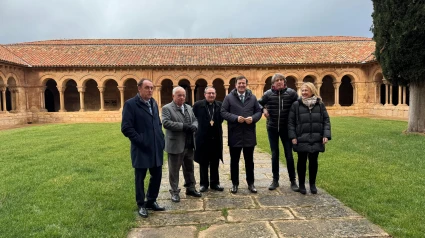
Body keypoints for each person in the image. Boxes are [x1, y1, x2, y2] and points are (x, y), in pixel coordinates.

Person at [121, 78, 165, 218]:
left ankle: (151, 201)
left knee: (157, 175)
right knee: (140, 177)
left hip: (155, 146)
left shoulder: (153, 102)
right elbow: (126, 128)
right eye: (147, 88)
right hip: (141, 148)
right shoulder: (130, 104)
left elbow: (157, 122)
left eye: (152, 88)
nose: (150, 90)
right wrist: (141, 140)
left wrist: (161, 138)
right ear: (139, 88)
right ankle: (141, 204)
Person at [288, 82, 331, 194]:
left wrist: (326, 135)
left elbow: (326, 120)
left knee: (313, 162)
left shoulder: (320, 104)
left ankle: (312, 184)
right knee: (301, 161)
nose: (304, 92)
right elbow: (291, 123)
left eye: (306, 90)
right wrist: (293, 136)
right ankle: (301, 184)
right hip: (301, 137)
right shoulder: (296, 105)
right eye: (302, 91)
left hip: (316, 136)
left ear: (312, 91)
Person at [221, 76, 262, 193]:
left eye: (243, 83)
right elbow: (223, 112)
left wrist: (253, 118)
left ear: (246, 84)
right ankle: (235, 184)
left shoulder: (253, 98)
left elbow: (258, 111)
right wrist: (235, 118)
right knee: (234, 161)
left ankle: (251, 184)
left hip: (249, 133)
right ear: (235, 85)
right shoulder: (229, 98)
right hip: (235, 133)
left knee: (249, 161)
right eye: (239, 83)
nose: (241, 85)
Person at [258, 73, 299, 191]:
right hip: (272, 128)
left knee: (289, 155)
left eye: (281, 80)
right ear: (273, 83)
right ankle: (275, 180)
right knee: (274, 154)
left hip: (286, 129)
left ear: (284, 82)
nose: (279, 82)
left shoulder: (291, 93)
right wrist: (264, 109)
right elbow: (258, 104)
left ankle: (293, 181)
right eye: (277, 80)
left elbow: (299, 105)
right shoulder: (268, 94)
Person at [162, 86, 201, 202]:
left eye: (184, 95)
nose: (182, 97)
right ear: (173, 96)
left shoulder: (188, 107)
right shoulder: (167, 108)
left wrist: (194, 126)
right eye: (179, 95)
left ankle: (190, 188)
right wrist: (183, 126)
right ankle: (174, 192)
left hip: (189, 144)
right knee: (174, 170)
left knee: (189, 167)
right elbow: (166, 123)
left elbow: (195, 119)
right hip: (176, 144)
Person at [193, 86, 224, 192]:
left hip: (216, 138)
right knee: (203, 162)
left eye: (213, 93)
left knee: (215, 161)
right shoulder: (198, 105)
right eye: (209, 93)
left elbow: (222, 118)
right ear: (205, 94)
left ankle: (215, 183)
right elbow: (193, 119)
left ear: (215, 94)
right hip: (202, 138)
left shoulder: (220, 105)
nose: (211, 95)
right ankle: (203, 184)